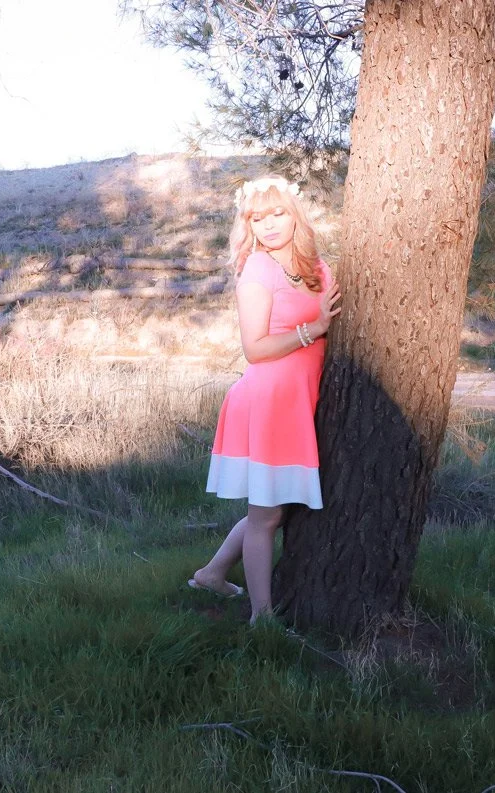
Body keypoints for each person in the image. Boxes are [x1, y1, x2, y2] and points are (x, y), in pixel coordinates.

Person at [188, 175, 341, 625]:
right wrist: (313, 331)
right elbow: (254, 349)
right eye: (258, 217)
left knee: (270, 506)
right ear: (248, 224)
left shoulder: (316, 265)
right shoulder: (257, 269)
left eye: (278, 213)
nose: (270, 225)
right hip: (269, 402)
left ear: (296, 215)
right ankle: (263, 619)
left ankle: (212, 573)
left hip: (299, 401)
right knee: (267, 515)